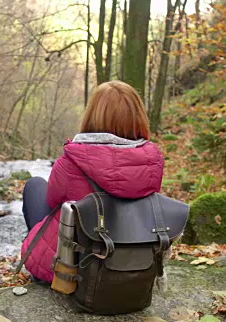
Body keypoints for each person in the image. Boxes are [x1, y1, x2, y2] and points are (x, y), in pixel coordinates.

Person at [21, 80, 165, 283]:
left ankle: (45, 264)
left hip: (77, 264)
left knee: (35, 185)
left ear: (92, 114)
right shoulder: (153, 160)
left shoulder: (72, 158)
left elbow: (54, 203)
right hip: (129, 260)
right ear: (138, 116)